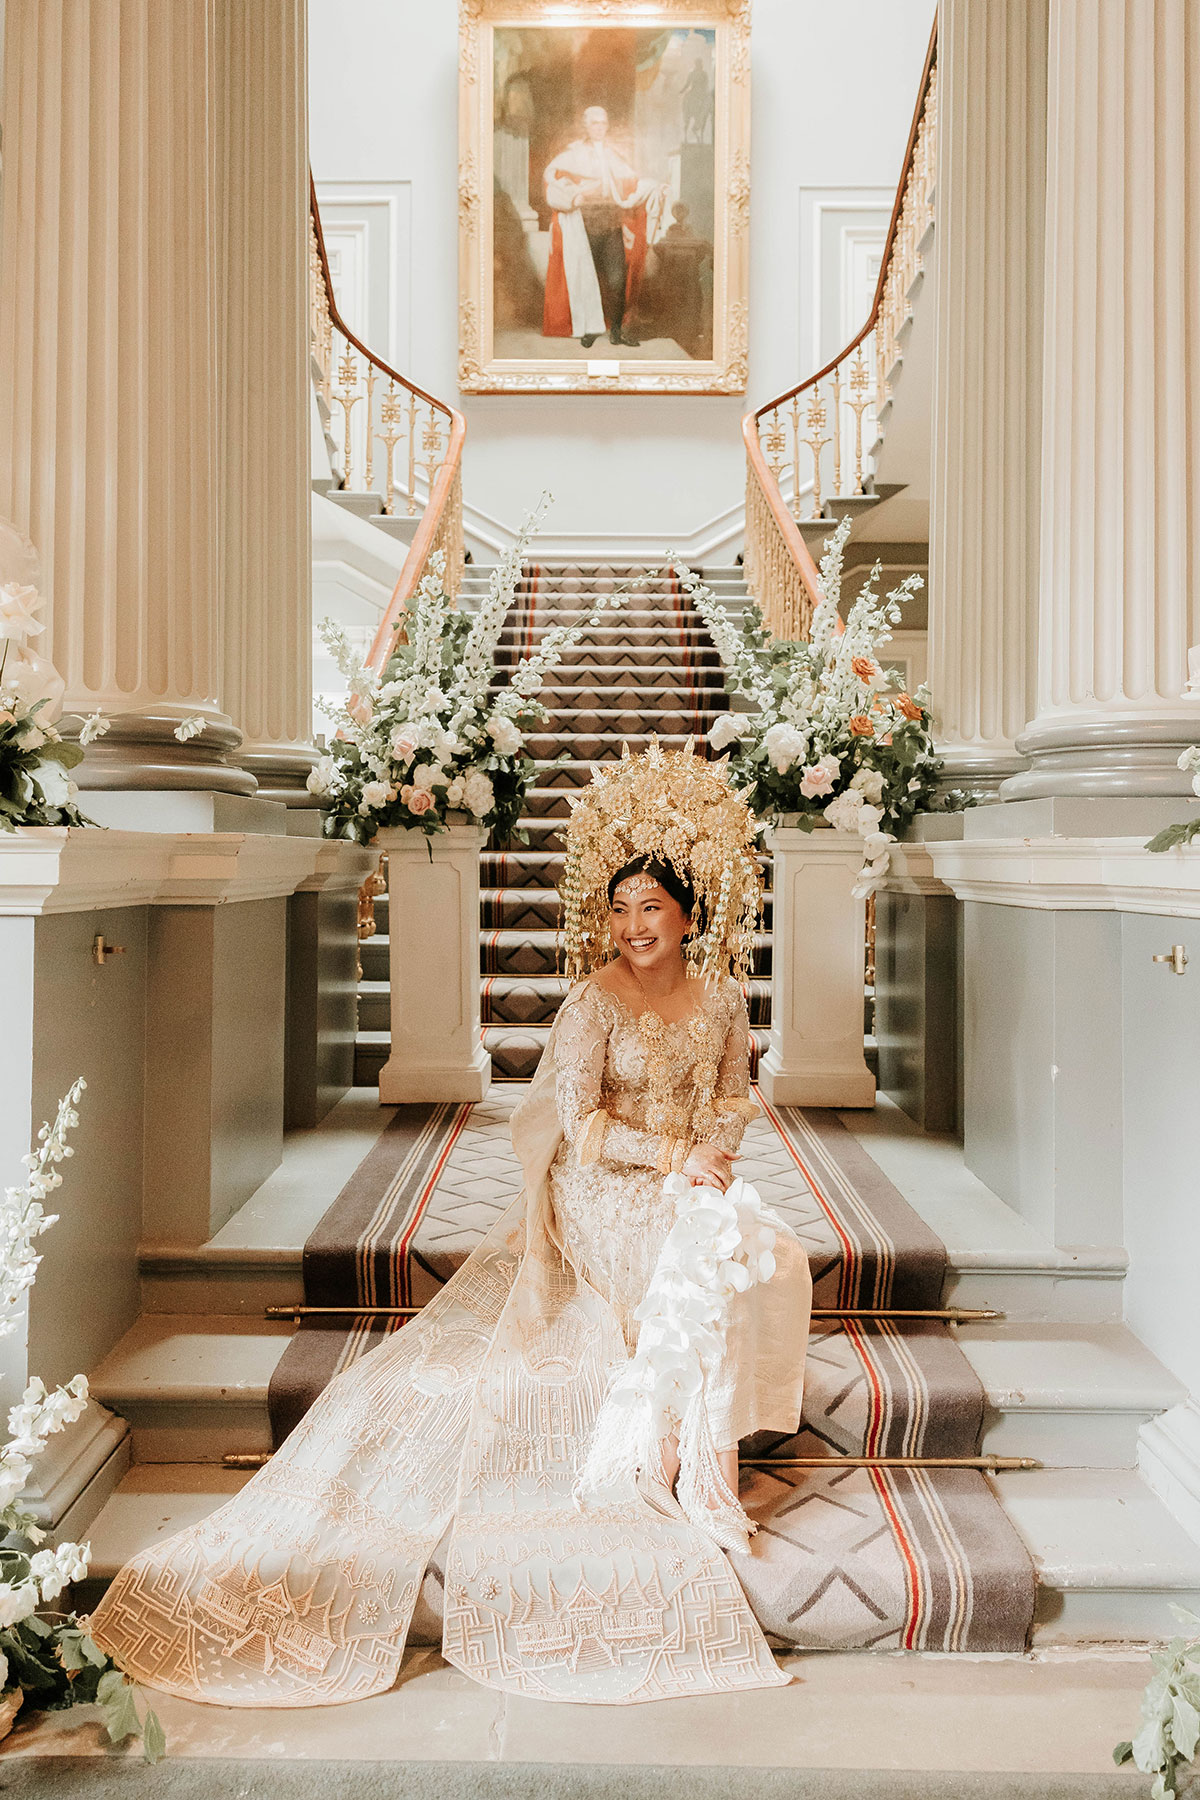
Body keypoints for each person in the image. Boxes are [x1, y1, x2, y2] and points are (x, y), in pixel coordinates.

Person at [89, 746, 812, 1707]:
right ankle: (684, 1476)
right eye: (621, 907)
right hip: (602, 1187)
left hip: (691, 1178)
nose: (635, 926)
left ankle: (704, 1466)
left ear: (688, 915)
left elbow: (734, 1097)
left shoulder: (721, 996)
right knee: (681, 1260)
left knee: (752, 1253)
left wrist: (710, 1156)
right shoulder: (593, 1002)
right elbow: (583, 1126)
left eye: (653, 908)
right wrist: (671, 1161)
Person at [542, 106, 658, 348]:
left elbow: (631, 181)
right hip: (583, 222)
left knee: (617, 278)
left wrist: (654, 187)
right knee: (586, 278)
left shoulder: (612, 154)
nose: (599, 128)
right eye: (594, 123)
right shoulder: (572, 153)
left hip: (610, 219)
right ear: (586, 126)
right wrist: (574, 196)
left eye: (603, 123)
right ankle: (589, 328)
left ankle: (616, 331)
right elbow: (552, 180)